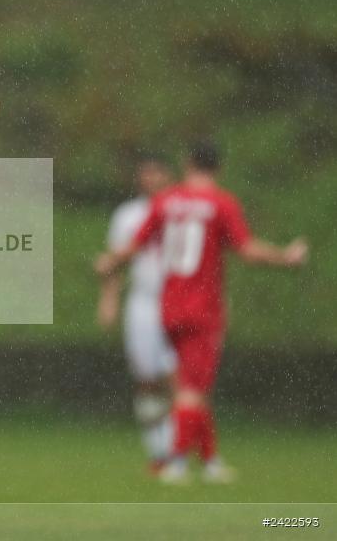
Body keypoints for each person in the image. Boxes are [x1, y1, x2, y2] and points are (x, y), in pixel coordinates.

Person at [95, 142, 308, 484]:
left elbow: (134, 246)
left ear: (186, 163)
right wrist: (286, 257)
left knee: (189, 385)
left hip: (168, 307)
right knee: (191, 388)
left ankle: (210, 461)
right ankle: (175, 463)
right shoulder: (221, 203)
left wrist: (109, 263)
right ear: (218, 168)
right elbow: (247, 250)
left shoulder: (166, 202)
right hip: (202, 309)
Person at [97, 155, 176, 475]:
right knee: (146, 378)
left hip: (176, 301)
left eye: (157, 173)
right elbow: (115, 263)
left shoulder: (181, 208)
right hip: (142, 302)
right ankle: (159, 452)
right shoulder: (128, 215)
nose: (151, 179)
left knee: (177, 378)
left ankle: (177, 448)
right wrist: (109, 300)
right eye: (145, 174)